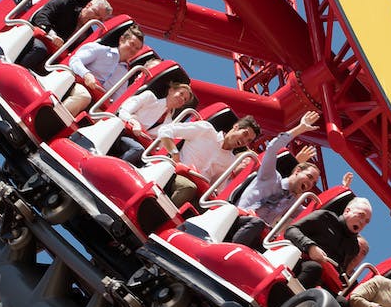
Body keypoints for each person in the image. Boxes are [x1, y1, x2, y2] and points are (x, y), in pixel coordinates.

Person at [229, 111, 322, 248]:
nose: (309, 184)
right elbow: (272, 148)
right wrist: (300, 128)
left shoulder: (293, 203)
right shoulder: (271, 176)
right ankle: (230, 251)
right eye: (309, 177)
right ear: (297, 171)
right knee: (257, 223)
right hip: (237, 218)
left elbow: (314, 218)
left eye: (313, 183)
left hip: (256, 234)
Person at [156, 115, 262, 208]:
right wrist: (175, 155)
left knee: (209, 208)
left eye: (249, 141)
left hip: (198, 191)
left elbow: (217, 188)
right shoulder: (206, 130)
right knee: (188, 187)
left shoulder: (230, 161)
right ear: (236, 127)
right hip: (177, 174)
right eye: (245, 134)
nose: (244, 141)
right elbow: (166, 130)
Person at [283, 196, 372, 289]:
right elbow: (291, 230)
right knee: (314, 268)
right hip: (299, 262)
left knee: (342, 302)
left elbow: (340, 269)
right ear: (347, 211)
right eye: (361, 215)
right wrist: (310, 247)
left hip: (321, 279)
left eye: (366, 221)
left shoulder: (353, 247)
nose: (362, 222)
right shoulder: (325, 217)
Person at [63, 22, 145, 115]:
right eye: (132, 44)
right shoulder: (101, 50)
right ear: (122, 40)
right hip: (78, 84)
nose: (133, 49)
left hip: (97, 103)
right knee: (84, 96)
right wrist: (87, 74)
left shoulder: (125, 76)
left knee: (107, 121)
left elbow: (116, 99)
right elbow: (75, 60)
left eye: (137, 48)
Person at [20, 0, 114, 74]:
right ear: (88, 5)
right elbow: (41, 16)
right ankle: (19, 72)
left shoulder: (87, 35)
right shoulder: (67, 4)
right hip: (35, 37)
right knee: (40, 50)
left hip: (53, 57)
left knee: (61, 70)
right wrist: (52, 34)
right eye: (96, 13)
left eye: (100, 20)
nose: (96, 19)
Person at [114, 81, 198, 163]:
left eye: (185, 99)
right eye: (181, 94)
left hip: (141, 145)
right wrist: (134, 122)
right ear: (171, 90)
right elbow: (123, 110)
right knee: (138, 149)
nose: (182, 99)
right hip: (122, 132)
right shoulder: (149, 97)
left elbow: (160, 145)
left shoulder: (170, 124)